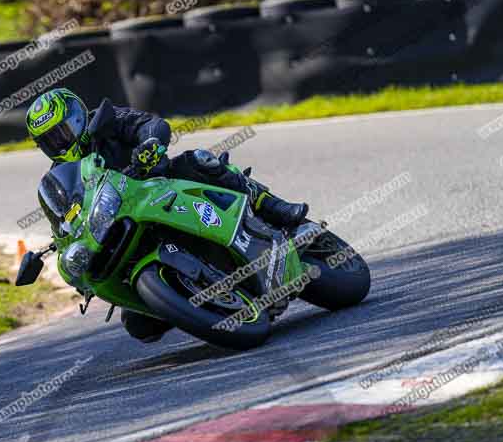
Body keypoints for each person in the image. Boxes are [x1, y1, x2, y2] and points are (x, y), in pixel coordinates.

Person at [26, 88, 309, 342]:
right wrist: (67, 249)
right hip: (121, 224)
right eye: (49, 141)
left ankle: (271, 206)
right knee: (139, 327)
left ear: (77, 119)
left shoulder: (107, 120)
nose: (58, 143)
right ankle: (195, 302)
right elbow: (63, 224)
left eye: (61, 132)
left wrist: (149, 144)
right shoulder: (58, 180)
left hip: (159, 183)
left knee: (199, 160)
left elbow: (152, 125)